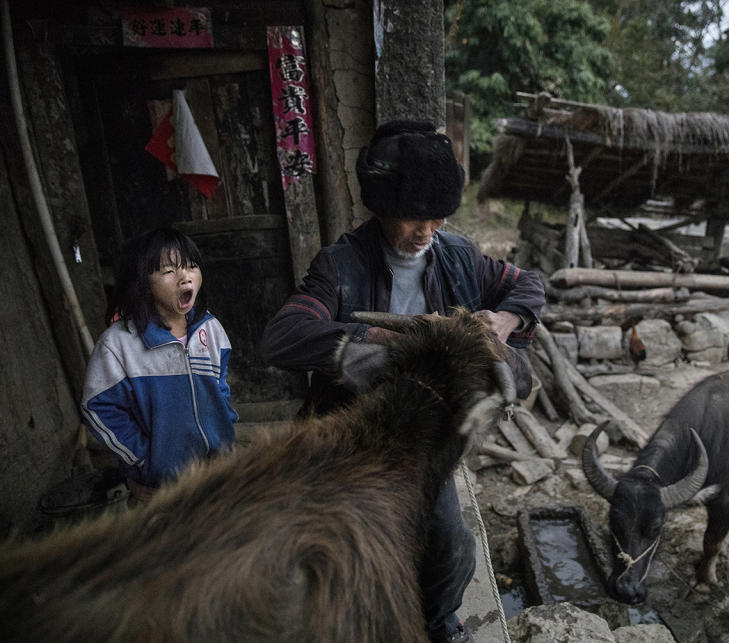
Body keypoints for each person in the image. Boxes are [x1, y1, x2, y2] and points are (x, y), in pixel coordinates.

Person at [261, 120, 545, 643]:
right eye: (415, 218)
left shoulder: (458, 257)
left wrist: (506, 320)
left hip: (423, 436)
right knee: (340, 555)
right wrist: (375, 342)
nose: (426, 231)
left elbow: (528, 284)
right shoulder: (339, 266)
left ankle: (438, 624)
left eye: (438, 217)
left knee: (452, 547)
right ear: (381, 208)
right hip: (352, 435)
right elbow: (283, 336)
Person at [81, 227, 238, 502]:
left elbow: (221, 389)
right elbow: (98, 408)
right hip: (162, 487)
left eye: (191, 266)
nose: (184, 277)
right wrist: (143, 462)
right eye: (168, 271)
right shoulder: (119, 345)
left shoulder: (211, 330)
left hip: (220, 472)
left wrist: (227, 431)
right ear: (142, 283)